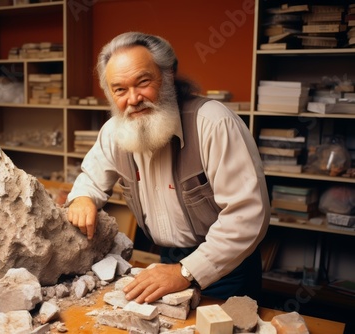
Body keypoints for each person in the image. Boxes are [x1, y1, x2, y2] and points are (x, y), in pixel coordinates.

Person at [66, 31, 270, 304]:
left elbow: (248, 215)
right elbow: (91, 177)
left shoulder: (212, 123)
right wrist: (82, 198)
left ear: (169, 75)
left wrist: (186, 271)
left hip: (227, 267)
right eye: (120, 89)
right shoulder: (115, 131)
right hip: (166, 262)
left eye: (143, 82)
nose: (134, 98)